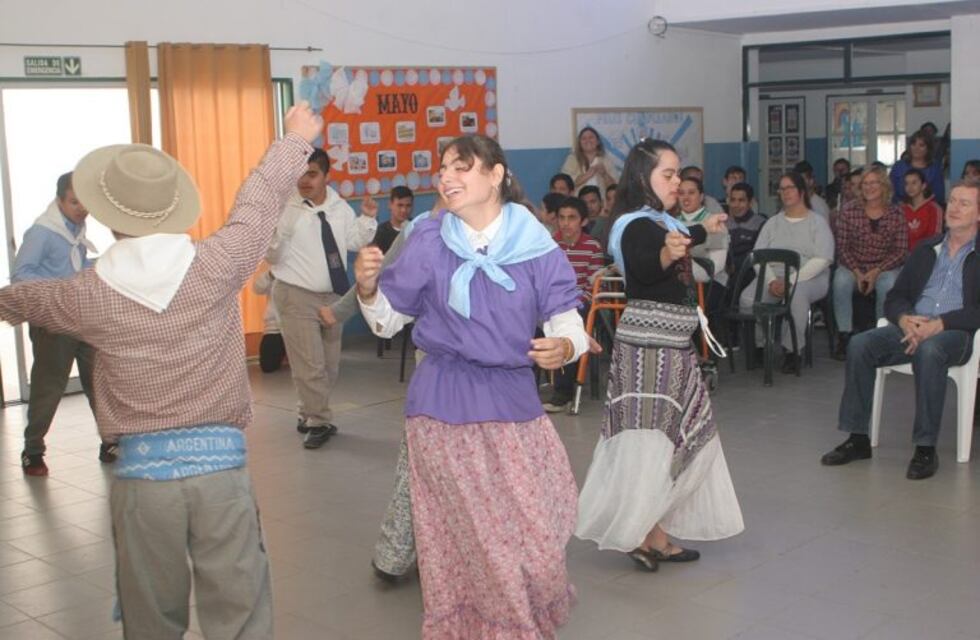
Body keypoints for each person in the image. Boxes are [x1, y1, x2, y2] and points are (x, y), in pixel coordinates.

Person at [0, 102, 322, 638]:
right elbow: (258, 203)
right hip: (222, 475)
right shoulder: (218, 264)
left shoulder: (87, 296)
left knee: (151, 619)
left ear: (108, 215)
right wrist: (293, 139)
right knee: (240, 614)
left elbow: (21, 299)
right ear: (175, 208)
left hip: (141, 484)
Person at [355, 134, 588, 637]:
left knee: (539, 530)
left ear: (496, 174)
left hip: (512, 399)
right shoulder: (430, 238)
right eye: (443, 168)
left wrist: (566, 347)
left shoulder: (534, 243)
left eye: (462, 166)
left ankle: (516, 618)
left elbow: (569, 322)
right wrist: (370, 289)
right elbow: (387, 321)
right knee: (475, 540)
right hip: (441, 404)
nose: (446, 177)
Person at [576, 138, 743, 573]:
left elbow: (680, 236)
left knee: (666, 438)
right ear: (642, 178)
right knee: (651, 441)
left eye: (678, 173)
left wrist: (709, 228)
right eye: (667, 175)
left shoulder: (657, 220)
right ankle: (643, 534)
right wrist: (667, 256)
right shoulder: (633, 225)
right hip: (650, 349)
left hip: (669, 346)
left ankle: (650, 532)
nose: (677, 181)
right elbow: (644, 266)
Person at [821, 180, 980, 480]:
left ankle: (925, 448)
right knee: (860, 345)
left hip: (957, 332)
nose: (955, 209)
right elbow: (896, 296)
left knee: (930, 351)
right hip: (913, 324)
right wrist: (905, 319)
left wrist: (940, 324)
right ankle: (857, 438)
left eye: (965, 203)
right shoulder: (927, 248)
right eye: (953, 201)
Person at [266, 148, 378, 448]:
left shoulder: (338, 207)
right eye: (300, 174)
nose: (305, 181)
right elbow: (271, 256)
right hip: (295, 295)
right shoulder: (285, 208)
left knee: (329, 366)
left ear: (326, 176)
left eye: (312, 174)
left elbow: (353, 241)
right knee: (310, 365)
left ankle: (308, 412)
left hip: (332, 297)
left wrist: (367, 219)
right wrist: (283, 231)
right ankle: (319, 420)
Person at [14, 171, 110, 476]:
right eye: (74, 201)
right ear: (59, 201)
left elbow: (75, 267)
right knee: (48, 388)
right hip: (52, 322)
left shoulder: (76, 231)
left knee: (99, 383)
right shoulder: (42, 232)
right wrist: (63, 284)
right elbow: (20, 276)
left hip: (82, 317)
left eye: (85, 202)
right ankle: (33, 451)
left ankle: (109, 442)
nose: (81, 208)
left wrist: (96, 266)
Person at [740, 172, 834, 374]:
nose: (785, 192)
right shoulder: (772, 223)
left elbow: (822, 259)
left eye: (790, 187)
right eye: (781, 189)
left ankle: (793, 350)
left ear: (801, 191)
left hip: (808, 277)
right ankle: (761, 345)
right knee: (747, 299)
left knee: (797, 295)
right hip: (773, 275)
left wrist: (790, 281)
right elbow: (757, 256)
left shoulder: (817, 222)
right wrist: (772, 281)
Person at [832, 167, 908, 359]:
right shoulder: (849, 210)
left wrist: (876, 271)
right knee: (840, 281)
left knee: (888, 283)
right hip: (853, 265)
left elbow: (900, 251)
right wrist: (857, 272)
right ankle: (844, 336)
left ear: (883, 186)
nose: (869, 187)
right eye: (865, 183)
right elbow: (842, 247)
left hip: (884, 267)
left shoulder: (896, 213)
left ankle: (880, 336)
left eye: (874, 183)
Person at [543, 196, 604, 413]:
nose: (566, 223)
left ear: (583, 221)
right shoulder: (549, 245)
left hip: (579, 303)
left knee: (566, 328)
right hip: (548, 303)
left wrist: (572, 303)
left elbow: (593, 286)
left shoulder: (592, 247)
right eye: (561, 218)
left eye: (572, 218)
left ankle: (563, 392)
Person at [677, 176, 729, 324]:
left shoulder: (714, 223)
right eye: (681, 193)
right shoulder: (671, 222)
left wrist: (681, 266)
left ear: (701, 197)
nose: (686, 198)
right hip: (681, 281)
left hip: (711, 283)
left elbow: (714, 268)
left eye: (691, 193)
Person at [725, 182, 767, 284]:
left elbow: (760, 255)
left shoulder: (761, 223)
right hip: (725, 271)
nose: (736, 205)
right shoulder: (724, 223)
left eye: (741, 200)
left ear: (751, 202)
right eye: (733, 200)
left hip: (750, 273)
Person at [890, 131, 945, 205]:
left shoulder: (935, 169)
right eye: (913, 144)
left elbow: (939, 197)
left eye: (921, 145)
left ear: (928, 148)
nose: (916, 148)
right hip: (899, 209)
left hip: (927, 211)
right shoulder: (899, 166)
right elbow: (888, 191)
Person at [560, 125, 619, 190]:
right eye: (584, 138)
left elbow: (615, 187)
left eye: (591, 137)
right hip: (577, 199)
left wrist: (605, 174)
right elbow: (565, 184)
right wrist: (587, 175)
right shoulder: (572, 159)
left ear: (598, 141)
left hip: (601, 199)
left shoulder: (606, 160)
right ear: (579, 143)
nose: (588, 141)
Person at [252, 266, 287, 373]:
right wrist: (270, 274)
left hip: (299, 327)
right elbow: (257, 288)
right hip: (274, 327)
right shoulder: (273, 270)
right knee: (268, 366)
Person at [901, 168, 943, 251]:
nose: (910, 187)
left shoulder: (934, 209)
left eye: (914, 183)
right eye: (906, 184)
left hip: (926, 255)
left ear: (923, 185)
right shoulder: (901, 209)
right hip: (904, 256)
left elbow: (935, 238)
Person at [372, 185, 414, 254]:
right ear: (390, 205)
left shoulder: (417, 228)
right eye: (400, 205)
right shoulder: (381, 232)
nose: (404, 210)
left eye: (408, 206)